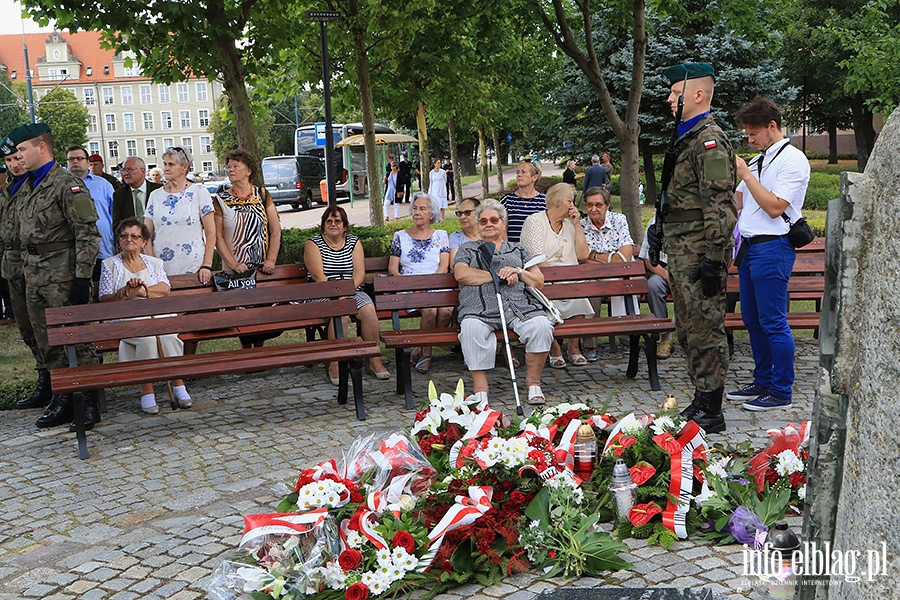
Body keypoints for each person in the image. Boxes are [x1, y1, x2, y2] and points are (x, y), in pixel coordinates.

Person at [649, 62, 737, 434]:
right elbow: (680, 197)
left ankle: (711, 410)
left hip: (702, 253)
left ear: (697, 94)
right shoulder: (687, 137)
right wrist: (659, 228)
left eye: (674, 92)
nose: (669, 99)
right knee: (688, 328)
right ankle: (702, 398)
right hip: (684, 251)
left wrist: (715, 260)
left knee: (705, 330)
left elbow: (720, 206)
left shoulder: (709, 141)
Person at [13, 123, 103, 431]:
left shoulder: (67, 183)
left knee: (77, 340)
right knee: (48, 342)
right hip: (34, 276)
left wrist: (82, 276)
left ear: (41, 148)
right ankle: (64, 399)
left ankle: (89, 402)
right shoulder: (25, 186)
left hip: (64, 278)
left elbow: (87, 232)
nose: (18, 156)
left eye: (22, 149)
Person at [727, 98, 810, 412]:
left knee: (773, 322)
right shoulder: (761, 159)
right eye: (747, 134)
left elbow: (775, 207)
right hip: (750, 249)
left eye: (754, 133)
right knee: (753, 319)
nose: (750, 138)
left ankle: (780, 390)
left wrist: (747, 175)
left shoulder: (792, 160)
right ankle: (762, 381)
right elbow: (739, 200)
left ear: (772, 126)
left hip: (773, 247)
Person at [453, 199, 553, 405]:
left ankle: (534, 383)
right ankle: (480, 390)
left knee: (541, 326)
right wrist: (498, 276)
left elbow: (539, 281)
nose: (488, 224)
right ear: (478, 225)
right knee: (471, 329)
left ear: (503, 222)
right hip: (479, 308)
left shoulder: (519, 250)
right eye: (483, 221)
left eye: (493, 220)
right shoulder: (468, 249)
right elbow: (462, 274)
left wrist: (518, 271)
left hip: (518, 307)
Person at [99, 217, 192, 414]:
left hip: (155, 314)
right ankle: (146, 391)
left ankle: (178, 384)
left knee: (168, 336)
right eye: (124, 236)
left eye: (134, 236)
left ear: (144, 242)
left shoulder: (154, 263)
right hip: (126, 317)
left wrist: (142, 291)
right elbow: (104, 299)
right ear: (118, 241)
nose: (128, 239)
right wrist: (123, 293)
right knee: (148, 340)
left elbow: (164, 289)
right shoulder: (110, 265)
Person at [304, 206, 389, 384]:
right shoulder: (313, 244)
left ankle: (375, 359)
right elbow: (319, 276)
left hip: (351, 289)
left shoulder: (353, 242)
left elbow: (359, 273)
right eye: (329, 221)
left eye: (337, 221)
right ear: (323, 225)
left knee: (368, 310)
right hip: (323, 292)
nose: (333, 224)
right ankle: (335, 362)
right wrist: (337, 293)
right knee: (341, 312)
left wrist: (347, 291)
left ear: (345, 226)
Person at [214, 149, 283, 349]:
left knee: (262, 313)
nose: (231, 170)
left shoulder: (262, 195)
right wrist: (233, 264)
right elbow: (217, 236)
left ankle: (258, 354)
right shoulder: (221, 199)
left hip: (261, 267)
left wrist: (271, 260)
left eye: (236, 166)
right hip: (235, 269)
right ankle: (248, 354)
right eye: (229, 166)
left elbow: (275, 229)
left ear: (249, 171)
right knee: (242, 315)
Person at [1, 133, 49, 410]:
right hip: (12, 267)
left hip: (36, 268)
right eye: (9, 160)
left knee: (45, 329)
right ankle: (44, 380)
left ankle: (60, 384)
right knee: (27, 329)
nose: (15, 164)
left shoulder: (34, 185)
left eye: (18, 157)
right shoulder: (8, 191)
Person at [519, 182, 592, 367]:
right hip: (543, 278)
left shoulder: (569, 224)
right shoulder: (535, 221)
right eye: (570, 200)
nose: (572, 206)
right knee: (547, 296)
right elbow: (535, 256)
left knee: (579, 294)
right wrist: (556, 280)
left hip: (570, 279)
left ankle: (574, 347)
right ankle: (554, 348)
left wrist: (577, 225)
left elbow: (583, 256)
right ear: (557, 200)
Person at [389, 192, 452, 374]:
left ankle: (420, 346)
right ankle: (427, 353)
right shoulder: (399, 236)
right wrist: (413, 286)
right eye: (414, 208)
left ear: (431, 214)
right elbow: (393, 269)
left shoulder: (441, 235)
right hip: (410, 286)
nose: (417, 212)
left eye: (422, 209)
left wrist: (430, 285)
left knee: (447, 311)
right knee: (430, 310)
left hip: (436, 283)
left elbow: (443, 266)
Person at [578, 186, 637, 361]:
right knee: (589, 289)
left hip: (621, 272)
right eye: (589, 205)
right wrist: (610, 258)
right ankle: (590, 344)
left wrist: (595, 255)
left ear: (607, 205)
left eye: (598, 205)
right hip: (593, 274)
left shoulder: (619, 220)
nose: (593, 209)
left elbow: (625, 257)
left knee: (623, 284)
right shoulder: (581, 226)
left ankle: (627, 339)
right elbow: (582, 258)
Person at [144, 146, 216, 284]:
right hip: (161, 269)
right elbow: (147, 234)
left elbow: (211, 232)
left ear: (184, 167)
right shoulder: (155, 195)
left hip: (194, 268)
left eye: (171, 164)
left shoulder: (199, 192)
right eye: (165, 164)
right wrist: (153, 266)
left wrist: (206, 265)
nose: (166, 168)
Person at [66, 146, 116, 288]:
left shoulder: (103, 184)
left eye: (79, 158)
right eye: (71, 159)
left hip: (102, 250)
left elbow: (115, 215)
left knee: (104, 292)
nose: (75, 162)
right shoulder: (61, 185)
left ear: (87, 162)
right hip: (72, 254)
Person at [638, 215, 675, 359]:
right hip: (662, 269)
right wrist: (667, 276)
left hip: (689, 270)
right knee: (653, 285)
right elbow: (647, 258)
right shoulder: (656, 221)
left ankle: (691, 336)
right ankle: (665, 338)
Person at [113, 157, 162, 233]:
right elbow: (117, 225)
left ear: (142, 171)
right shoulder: (119, 195)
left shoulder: (158, 191)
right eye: (123, 170)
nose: (125, 173)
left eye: (129, 169)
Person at [501, 160, 546, 243]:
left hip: (537, 251)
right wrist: (508, 251)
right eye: (517, 172)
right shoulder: (507, 200)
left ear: (534, 177)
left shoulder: (544, 201)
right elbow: (502, 229)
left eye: (523, 172)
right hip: (512, 251)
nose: (519, 175)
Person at [448, 197, 481, 263]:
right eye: (460, 213)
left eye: (467, 212)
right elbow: (454, 265)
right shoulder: (456, 237)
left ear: (479, 213)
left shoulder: (489, 234)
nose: (462, 217)